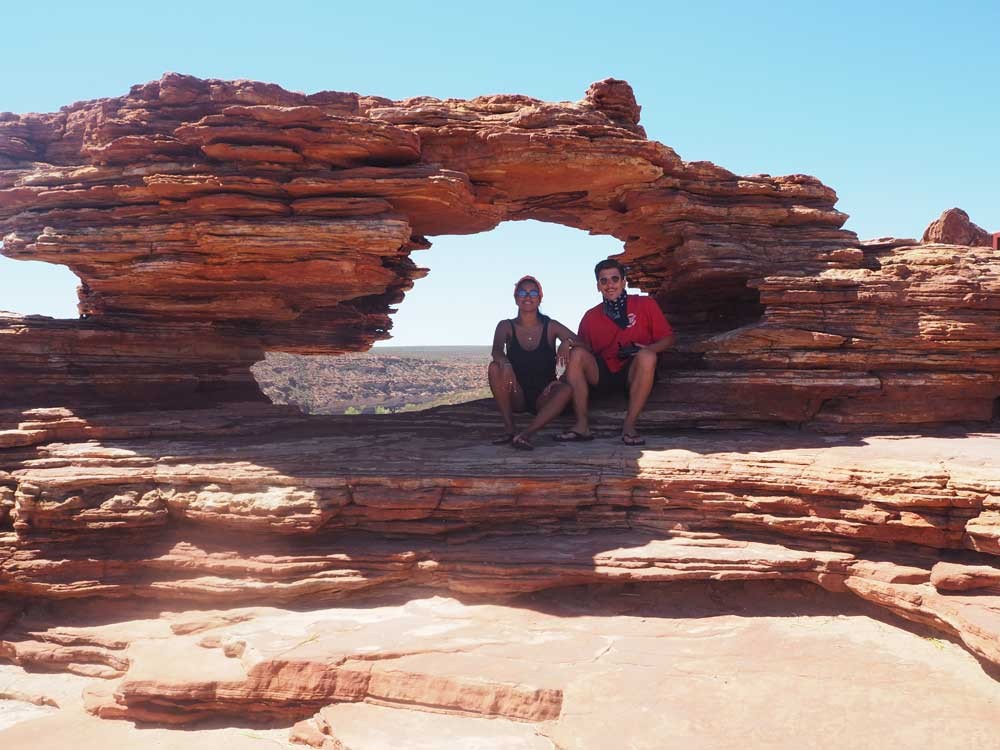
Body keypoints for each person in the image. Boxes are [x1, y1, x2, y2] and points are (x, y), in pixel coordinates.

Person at [558, 259, 674, 446]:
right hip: (604, 372)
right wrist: (568, 343)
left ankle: (629, 426)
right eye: (604, 281)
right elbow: (584, 350)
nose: (609, 285)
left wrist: (649, 349)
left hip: (634, 370)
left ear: (623, 282)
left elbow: (668, 338)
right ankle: (582, 426)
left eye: (614, 279)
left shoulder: (644, 304)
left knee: (647, 356)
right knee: (577, 354)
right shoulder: (591, 316)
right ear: (598, 286)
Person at [488, 275, 581, 451]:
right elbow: (497, 351)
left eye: (533, 292)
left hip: (544, 395)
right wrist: (506, 365)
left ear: (540, 297)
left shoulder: (551, 326)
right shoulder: (506, 326)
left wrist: (567, 343)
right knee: (494, 367)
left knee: (566, 390)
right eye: (522, 292)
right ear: (516, 298)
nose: (528, 296)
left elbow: (584, 344)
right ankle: (510, 429)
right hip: (516, 391)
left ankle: (526, 435)